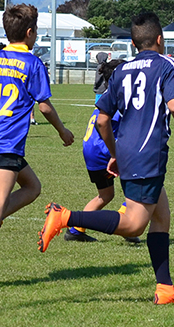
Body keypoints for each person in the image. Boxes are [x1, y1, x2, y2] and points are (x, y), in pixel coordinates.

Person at [38, 12, 174, 305]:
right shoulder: (167, 65)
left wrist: (117, 154)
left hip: (129, 151)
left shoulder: (121, 71)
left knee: (161, 217)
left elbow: (102, 120)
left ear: (132, 43)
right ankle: (65, 216)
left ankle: (165, 288)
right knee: (134, 225)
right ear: (160, 39)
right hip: (148, 153)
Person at [0, 4, 75, 290]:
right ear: (31, 32)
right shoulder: (33, 63)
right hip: (7, 139)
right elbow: (44, 107)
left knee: (32, 187)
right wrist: (63, 131)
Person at [63, 59, 140, 244]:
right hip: (102, 151)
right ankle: (126, 227)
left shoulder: (105, 94)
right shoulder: (117, 96)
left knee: (106, 195)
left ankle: (76, 229)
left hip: (91, 149)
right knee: (140, 188)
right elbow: (102, 123)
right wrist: (116, 153)